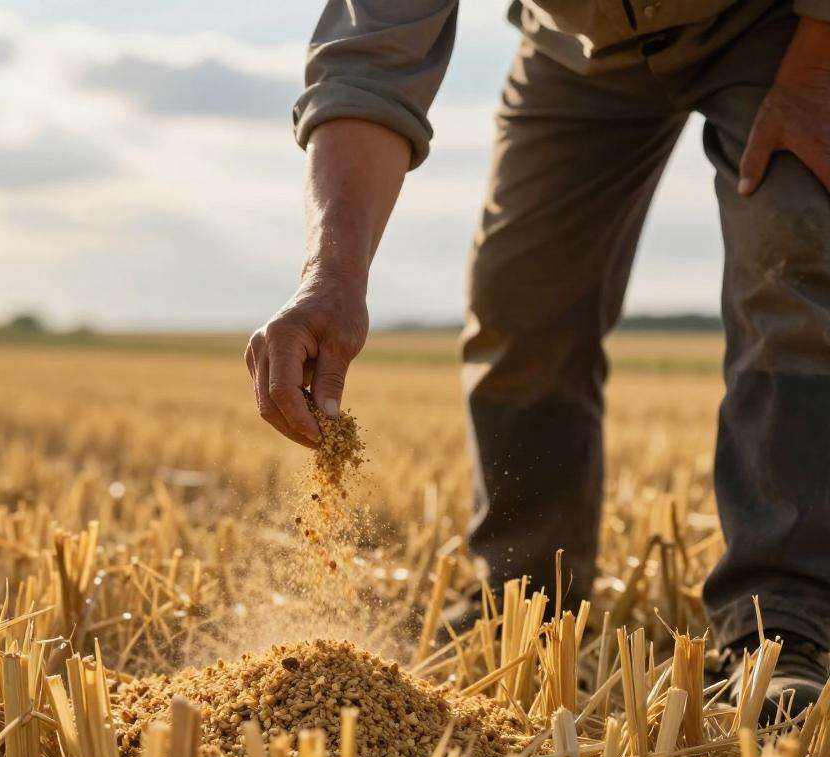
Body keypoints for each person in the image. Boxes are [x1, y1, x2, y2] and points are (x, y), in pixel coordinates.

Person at [245, 0, 830, 712]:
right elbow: (368, 59)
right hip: (577, 47)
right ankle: (526, 599)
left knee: (793, 268)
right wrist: (330, 277)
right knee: (521, 303)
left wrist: (817, 66)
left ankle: (788, 628)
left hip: (780, 27)